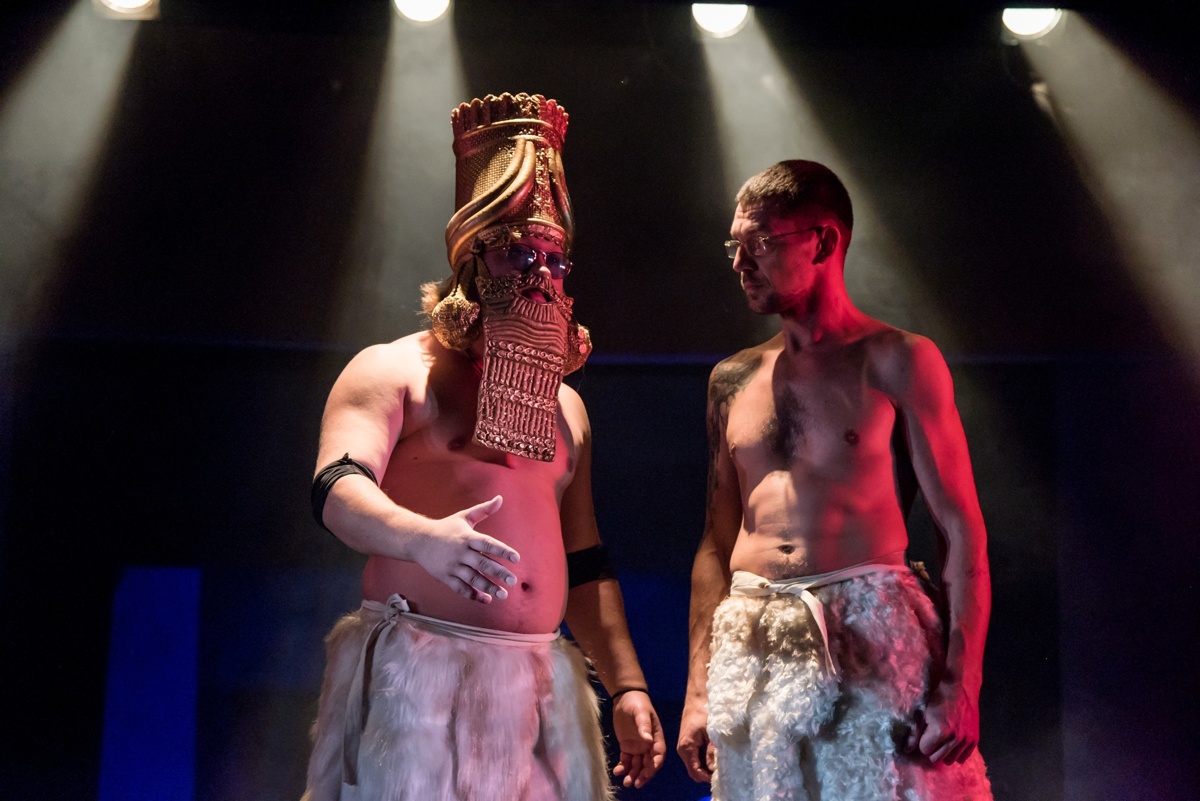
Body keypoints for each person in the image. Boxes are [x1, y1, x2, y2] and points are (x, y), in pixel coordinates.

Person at [301, 92, 665, 801]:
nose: (540, 276)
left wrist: (626, 684)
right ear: (471, 262)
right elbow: (335, 488)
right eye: (518, 253)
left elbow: (585, 562)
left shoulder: (565, 407)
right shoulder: (392, 370)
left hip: (536, 688)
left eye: (554, 260)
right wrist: (421, 538)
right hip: (417, 683)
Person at [676, 160, 993, 800]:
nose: (740, 263)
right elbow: (716, 541)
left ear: (822, 241)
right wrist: (698, 691)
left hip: (871, 643)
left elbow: (960, 530)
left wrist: (962, 685)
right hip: (753, 649)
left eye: (760, 242)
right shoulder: (731, 380)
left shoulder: (897, 359)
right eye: (734, 245)